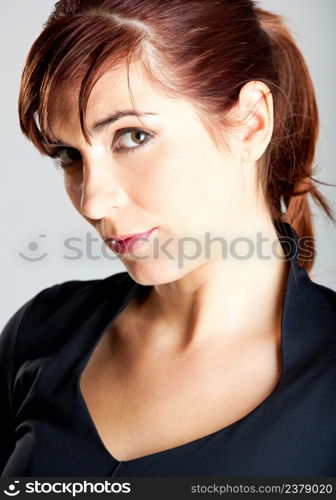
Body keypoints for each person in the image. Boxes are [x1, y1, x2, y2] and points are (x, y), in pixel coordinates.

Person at [1, 0, 335, 477]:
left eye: (133, 136)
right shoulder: (40, 332)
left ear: (251, 123)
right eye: (68, 155)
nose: (93, 202)